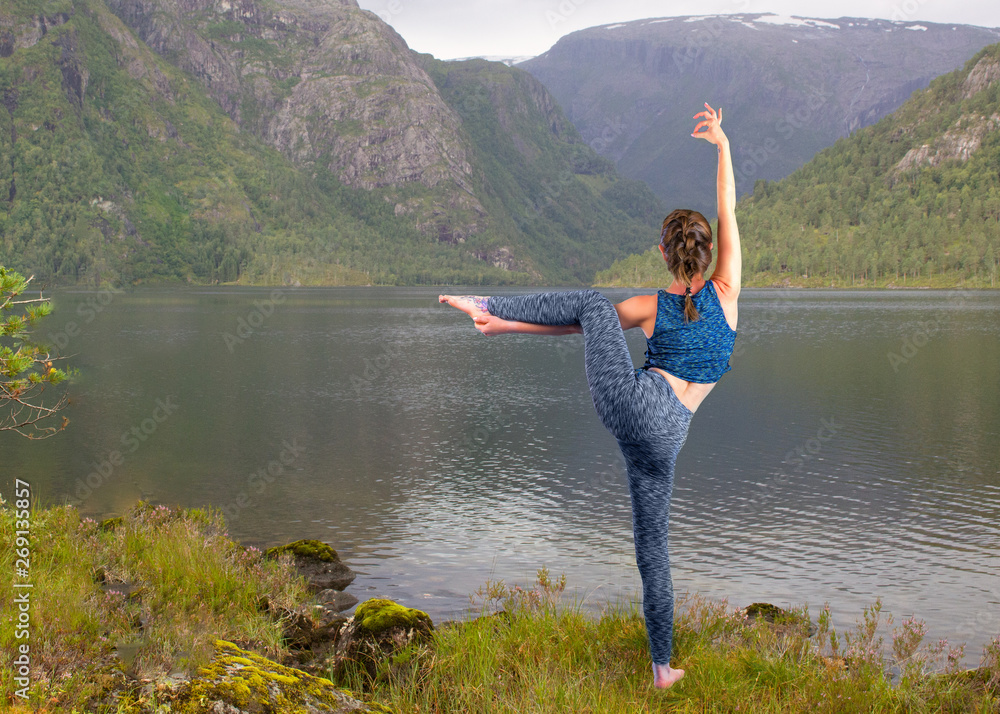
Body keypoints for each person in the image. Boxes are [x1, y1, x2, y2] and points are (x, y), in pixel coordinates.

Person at [439, 103, 740, 689]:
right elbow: (728, 208)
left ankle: (488, 303)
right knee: (653, 550)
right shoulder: (728, 296)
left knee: (592, 303)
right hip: (669, 437)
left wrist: (507, 323)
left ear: (664, 254)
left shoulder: (650, 306)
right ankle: (663, 669)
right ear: (709, 253)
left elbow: (583, 322)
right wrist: (723, 146)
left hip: (632, 406)